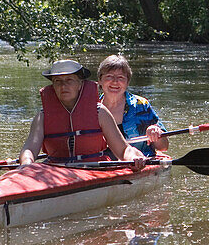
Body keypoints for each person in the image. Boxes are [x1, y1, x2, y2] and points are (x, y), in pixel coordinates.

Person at [18, 59, 147, 170]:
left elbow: (123, 150)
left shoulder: (100, 112)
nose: (63, 86)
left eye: (69, 80)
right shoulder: (42, 117)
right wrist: (27, 163)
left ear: (80, 84)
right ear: (53, 86)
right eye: (58, 81)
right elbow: (29, 149)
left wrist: (134, 157)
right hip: (56, 170)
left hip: (94, 170)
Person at [96, 54, 168, 157]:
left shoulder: (141, 105)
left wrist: (155, 133)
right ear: (100, 80)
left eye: (121, 77)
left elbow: (163, 147)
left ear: (127, 82)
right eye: (109, 77)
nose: (115, 81)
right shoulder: (91, 109)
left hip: (140, 162)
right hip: (104, 166)